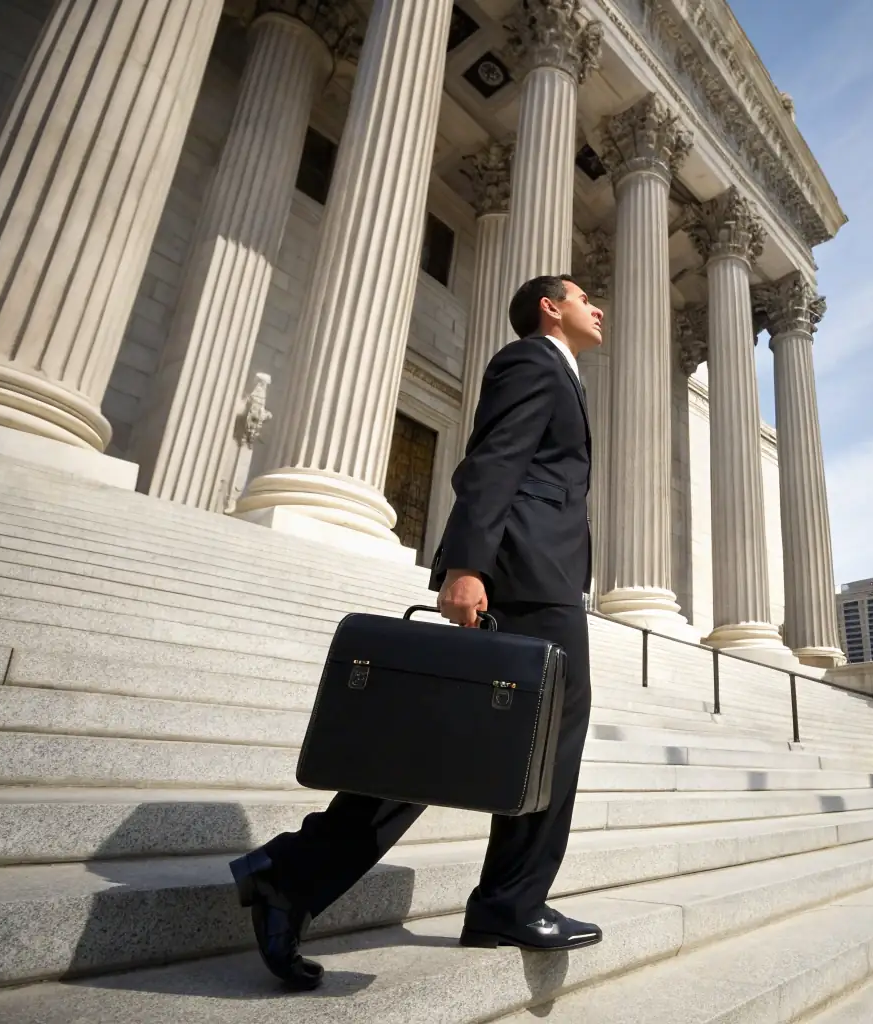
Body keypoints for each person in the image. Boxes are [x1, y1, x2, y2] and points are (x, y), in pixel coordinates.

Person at [229, 275, 604, 990]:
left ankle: (292, 872)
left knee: (442, 741)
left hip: (535, 570)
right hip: (524, 573)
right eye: (585, 297)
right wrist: (464, 566)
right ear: (550, 307)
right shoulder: (531, 359)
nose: (600, 308)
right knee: (542, 735)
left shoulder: (563, 372)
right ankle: (507, 901)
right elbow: (491, 463)